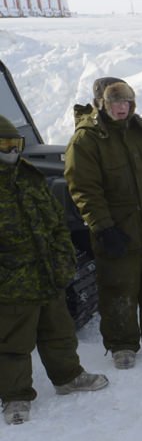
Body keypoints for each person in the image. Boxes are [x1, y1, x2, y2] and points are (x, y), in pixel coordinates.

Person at [65, 78, 142, 370]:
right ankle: (122, 345)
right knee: (119, 286)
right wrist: (103, 227)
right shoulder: (87, 140)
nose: (122, 108)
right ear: (101, 104)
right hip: (119, 227)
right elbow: (84, 190)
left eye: (126, 102)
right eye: (114, 103)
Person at [1, 113, 109, 424]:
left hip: (46, 274)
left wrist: (63, 260)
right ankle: (16, 397)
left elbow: (57, 225)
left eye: (15, 143)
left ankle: (68, 377)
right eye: (5, 144)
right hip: (11, 283)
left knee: (58, 332)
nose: (12, 151)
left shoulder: (29, 176)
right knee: (12, 343)